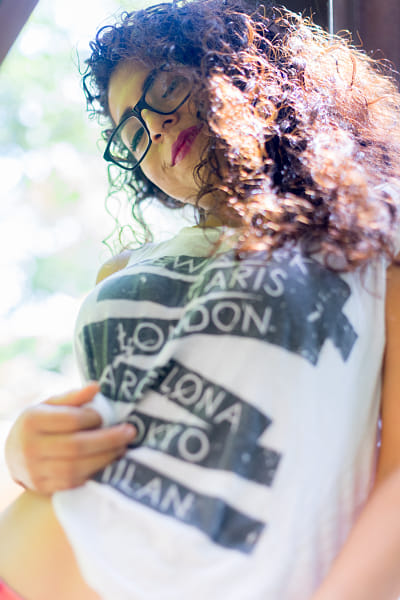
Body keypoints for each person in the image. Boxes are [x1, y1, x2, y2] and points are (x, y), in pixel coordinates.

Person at [1, 0, 400, 598]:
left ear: (240, 65)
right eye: (132, 133)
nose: (155, 128)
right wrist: (24, 453)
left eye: (164, 86)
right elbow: (131, 419)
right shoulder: (124, 267)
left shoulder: (374, 227)